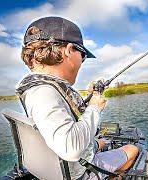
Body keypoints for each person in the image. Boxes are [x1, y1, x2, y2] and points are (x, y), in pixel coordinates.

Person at [16, 16, 138, 179]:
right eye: (83, 55)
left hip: (64, 164)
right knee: (132, 150)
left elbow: (61, 120)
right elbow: (70, 148)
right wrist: (95, 108)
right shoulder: (43, 92)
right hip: (79, 171)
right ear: (68, 50)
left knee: (102, 143)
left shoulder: (39, 88)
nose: (82, 61)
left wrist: (90, 98)